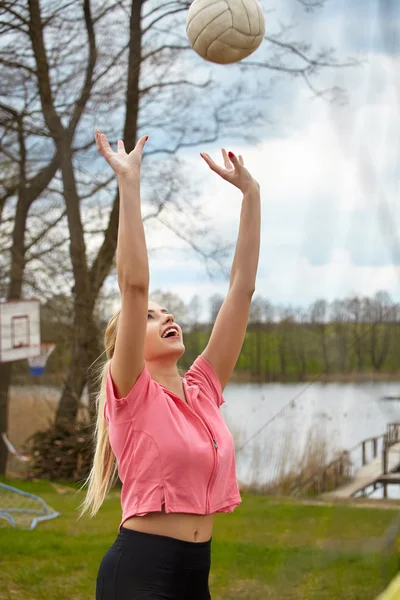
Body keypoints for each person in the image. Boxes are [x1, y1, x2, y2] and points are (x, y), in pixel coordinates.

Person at [80, 130, 261, 599]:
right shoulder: (131, 394)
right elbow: (134, 288)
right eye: (153, 316)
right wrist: (129, 182)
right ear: (126, 343)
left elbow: (241, 290)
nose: (167, 317)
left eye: (169, 313)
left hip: (194, 572)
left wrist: (251, 195)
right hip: (140, 571)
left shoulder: (202, 388)